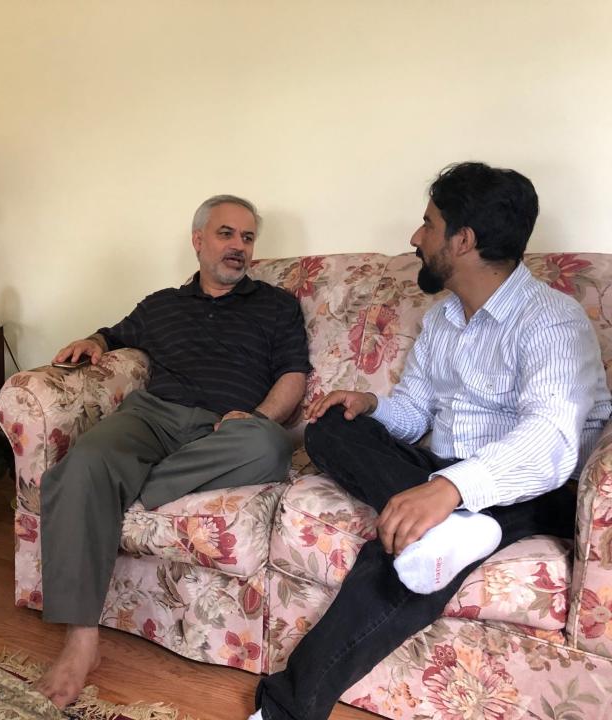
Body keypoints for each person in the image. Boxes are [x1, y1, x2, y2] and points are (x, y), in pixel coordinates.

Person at [251, 162, 612, 720]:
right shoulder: (444, 319)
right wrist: (371, 406)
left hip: (533, 488)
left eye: (428, 224)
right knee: (330, 429)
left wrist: (447, 490)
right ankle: (457, 527)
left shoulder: (551, 321)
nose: (416, 238)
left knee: (398, 548)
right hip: (442, 465)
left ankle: (284, 709)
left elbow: (550, 440)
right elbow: (416, 411)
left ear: (462, 240)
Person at [36, 195, 312, 708]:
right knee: (86, 463)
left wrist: (259, 417)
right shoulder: (163, 303)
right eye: (226, 234)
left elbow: (293, 376)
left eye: (248, 238)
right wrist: (93, 341)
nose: (238, 247)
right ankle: (80, 639)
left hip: (227, 431)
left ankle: (136, 483)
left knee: (268, 446)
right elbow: (113, 335)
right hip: (153, 417)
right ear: (198, 240)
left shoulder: (276, 307)